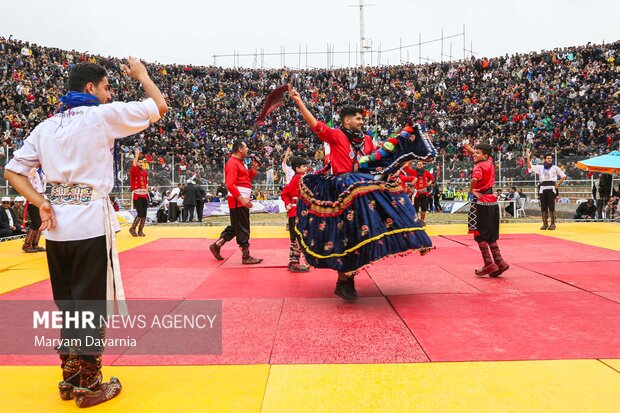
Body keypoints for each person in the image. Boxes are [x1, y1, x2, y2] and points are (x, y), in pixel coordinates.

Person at [4, 58, 167, 407]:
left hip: (56, 229)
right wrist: (141, 75)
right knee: (91, 305)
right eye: (107, 88)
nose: (109, 96)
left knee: (69, 305)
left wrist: (40, 201)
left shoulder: (46, 126)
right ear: (91, 88)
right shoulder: (101, 117)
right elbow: (159, 106)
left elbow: (13, 171)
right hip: (90, 222)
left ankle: (70, 377)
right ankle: (90, 385)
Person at [289, 87, 435, 300]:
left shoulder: (366, 139)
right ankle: (345, 281)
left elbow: (375, 159)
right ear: (346, 121)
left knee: (391, 193)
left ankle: (404, 234)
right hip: (343, 188)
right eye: (357, 118)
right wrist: (299, 101)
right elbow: (314, 125)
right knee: (346, 235)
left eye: (361, 118)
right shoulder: (337, 135)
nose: (361, 121)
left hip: (361, 186)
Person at [209, 140, 263, 264]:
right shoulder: (232, 164)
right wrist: (241, 199)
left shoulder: (239, 163)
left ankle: (217, 244)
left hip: (239, 199)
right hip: (239, 200)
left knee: (236, 226)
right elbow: (230, 184)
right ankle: (246, 256)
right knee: (243, 226)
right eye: (246, 147)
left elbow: (244, 179)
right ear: (240, 149)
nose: (248, 149)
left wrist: (253, 169)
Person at [464, 142, 510, 277]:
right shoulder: (489, 162)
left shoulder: (478, 167)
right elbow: (481, 154)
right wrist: (470, 149)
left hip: (481, 201)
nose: (474, 155)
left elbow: (474, 178)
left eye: (477, 153)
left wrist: (471, 190)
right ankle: (499, 261)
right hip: (492, 200)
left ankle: (489, 263)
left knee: (480, 234)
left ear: (484, 155)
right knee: (490, 234)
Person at [280, 156, 310, 273]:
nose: (306, 168)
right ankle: (297, 263)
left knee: (295, 238)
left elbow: (284, 193)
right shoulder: (301, 179)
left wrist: (288, 203)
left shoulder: (294, 179)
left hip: (293, 212)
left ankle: (293, 262)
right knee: (300, 237)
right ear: (297, 168)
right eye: (303, 166)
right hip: (299, 212)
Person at [526, 149, 566, 230]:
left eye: (551, 158)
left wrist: (558, 184)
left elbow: (563, 176)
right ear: (544, 159)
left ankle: (553, 224)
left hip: (551, 187)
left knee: (551, 206)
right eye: (548, 158)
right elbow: (530, 166)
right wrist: (528, 156)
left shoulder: (555, 167)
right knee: (543, 207)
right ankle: (545, 224)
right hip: (542, 187)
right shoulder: (540, 167)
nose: (550, 160)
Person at [22, 167, 47, 252]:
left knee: (40, 223)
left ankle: (35, 244)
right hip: (32, 199)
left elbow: (45, 180)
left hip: (40, 199)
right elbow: (27, 179)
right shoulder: (32, 169)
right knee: (36, 223)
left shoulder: (40, 171)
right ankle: (27, 244)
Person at [403, 161, 434, 226]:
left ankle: (422, 221)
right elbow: (406, 168)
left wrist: (430, 182)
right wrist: (408, 161)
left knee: (424, 208)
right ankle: (417, 221)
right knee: (415, 208)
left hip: (424, 193)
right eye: (418, 164)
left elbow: (431, 177)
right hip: (416, 193)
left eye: (420, 164)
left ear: (423, 165)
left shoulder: (426, 172)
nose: (419, 165)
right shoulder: (414, 172)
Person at [128, 147, 149, 237]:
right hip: (137, 195)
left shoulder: (144, 172)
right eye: (139, 162)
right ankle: (132, 228)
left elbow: (146, 182)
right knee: (140, 213)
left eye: (141, 162)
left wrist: (147, 189)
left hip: (144, 195)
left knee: (144, 214)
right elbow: (134, 165)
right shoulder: (134, 171)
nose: (140, 163)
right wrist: (136, 156)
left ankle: (140, 230)